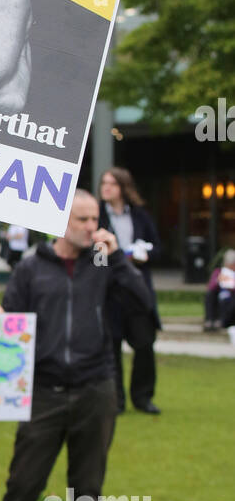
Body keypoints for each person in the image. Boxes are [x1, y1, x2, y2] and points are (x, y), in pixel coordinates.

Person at [0, 190, 153, 501]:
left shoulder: (104, 263)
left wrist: (118, 257)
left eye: (94, 219)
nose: (91, 227)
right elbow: (10, 321)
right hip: (42, 392)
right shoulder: (32, 268)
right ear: (59, 222)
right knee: (23, 484)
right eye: (82, 219)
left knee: (85, 486)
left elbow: (145, 307)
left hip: (96, 388)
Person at [98, 167, 162, 414]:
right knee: (111, 347)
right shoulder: (97, 216)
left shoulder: (140, 216)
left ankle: (143, 397)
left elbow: (158, 249)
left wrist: (143, 255)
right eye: (104, 183)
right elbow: (94, 258)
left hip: (137, 290)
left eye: (112, 183)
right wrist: (107, 257)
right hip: (110, 291)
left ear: (123, 187)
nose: (106, 188)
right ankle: (117, 401)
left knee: (145, 344)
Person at [203, 250, 235, 334]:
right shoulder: (218, 272)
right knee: (209, 295)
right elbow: (211, 286)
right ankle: (209, 321)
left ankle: (222, 321)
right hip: (219, 295)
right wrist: (218, 281)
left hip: (231, 297)